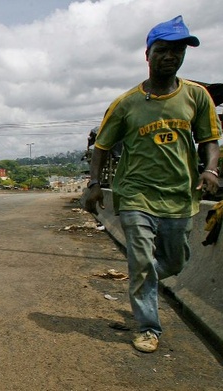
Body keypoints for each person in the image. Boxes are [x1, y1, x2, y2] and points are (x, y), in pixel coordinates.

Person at [85, 15, 222, 353]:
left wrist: (212, 170)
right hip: (135, 196)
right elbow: (101, 146)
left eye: (177, 51)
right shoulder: (126, 104)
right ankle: (148, 327)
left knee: (175, 263)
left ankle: (142, 278)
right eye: (163, 50)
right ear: (148, 55)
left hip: (179, 196)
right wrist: (93, 184)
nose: (170, 57)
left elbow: (210, 139)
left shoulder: (197, 96)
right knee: (143, 262)